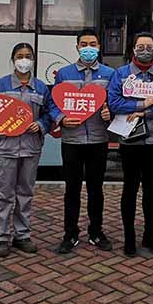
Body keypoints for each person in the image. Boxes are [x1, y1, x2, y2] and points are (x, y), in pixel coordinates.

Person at [0, 42, 52, 258]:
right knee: (4, 194)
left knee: (25, 193)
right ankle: (1, 237)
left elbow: (49, 114)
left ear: (33, 60)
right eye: (19, 56)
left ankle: (22, 236)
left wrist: (42, 125)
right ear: (13, 59)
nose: (24, 60)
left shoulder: (41, 88)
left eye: (28, 56)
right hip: (5, 148)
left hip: (31, 148)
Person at [107, 32, 153, 257]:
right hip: (130, 140)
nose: (145, 50)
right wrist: (141, 105)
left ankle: (149, 235)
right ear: (133, 49)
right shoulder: (121, 74)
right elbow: (114, 103)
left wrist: (145, 113)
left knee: (151, 189)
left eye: (149, 46)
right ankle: (129, 237)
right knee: (130, 188)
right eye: (140, 46)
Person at [49, 29, 115, 254]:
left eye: (93, 44)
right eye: (84, 44)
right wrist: (61, 118)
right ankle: (70, 233)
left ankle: (96, 232)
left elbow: (115, 101)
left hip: (98, 139)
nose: (88, 48)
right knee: (72, 189)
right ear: (77, 47)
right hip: (72, 140)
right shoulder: (64, 74)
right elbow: (53, 102)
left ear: (99, 47)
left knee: (96, 189)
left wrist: (110, 113)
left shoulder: (109, 74)